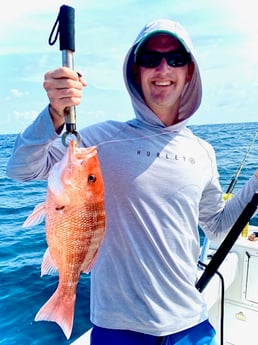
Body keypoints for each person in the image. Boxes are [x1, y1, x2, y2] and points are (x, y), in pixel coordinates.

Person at [6, 18, 258, 345]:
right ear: (136, 72)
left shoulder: (203, 152)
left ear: (189, 73)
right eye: (150, 59)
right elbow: (21, 169)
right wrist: (54, 114)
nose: (163, 68)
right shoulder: (97, 142)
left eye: (176, 59)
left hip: (191, 325)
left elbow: (217, 227)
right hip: (118, 328)